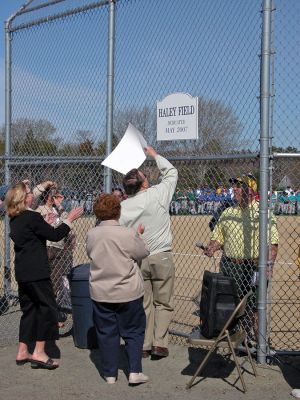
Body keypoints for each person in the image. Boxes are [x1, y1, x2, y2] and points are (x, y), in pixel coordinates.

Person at [5, 182, 83, 370]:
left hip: (23, 271)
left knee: (30, 310)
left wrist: (43, 225)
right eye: (29, 193)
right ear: (24, 198)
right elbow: (55, 236)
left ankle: (23, 350)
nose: (32, 195)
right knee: (47, 309)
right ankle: (39, 352)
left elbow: (31, 236)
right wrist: (69, 219)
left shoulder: (15, 218)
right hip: (37, 271)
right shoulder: (32, 216)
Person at [120, 146, 178, 359]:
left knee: (143, 303)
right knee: (164, 302)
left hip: (138, 258)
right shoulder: (157, 194)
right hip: (161, 254)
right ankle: (160, 343)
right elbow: (172, 173)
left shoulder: (124, 207)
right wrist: (155, 156)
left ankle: (144, 344)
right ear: (144, 183)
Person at [204, 174, 279, 337]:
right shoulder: (228, 212)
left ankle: (260, 344)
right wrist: (212, 247)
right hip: (230, 265)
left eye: (239, 186)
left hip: (253, 267)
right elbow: (218, 237)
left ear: (250, 190)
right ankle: (240, 340)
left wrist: (268, 265)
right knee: (231, 304)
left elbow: (272, 243)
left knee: (255, 306)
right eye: (234, 186)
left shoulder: (263, 212)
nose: (235, 189)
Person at [87, 194, 150, 385]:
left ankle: (110, 374)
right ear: (118, 211)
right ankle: (134, 371)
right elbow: (143, 252)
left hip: (101, 292)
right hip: (127, 292)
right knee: (134, 331)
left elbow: (91, 252)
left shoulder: (92, 233)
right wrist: (137, 236)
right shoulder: (128, 233)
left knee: (106, 333)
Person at [36, 187, 76, 327]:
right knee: (45, 283)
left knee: (55, 283)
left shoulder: (56, 210)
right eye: (56, 195)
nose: (59, 197)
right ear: (48, 196)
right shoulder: (39, 210)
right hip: (46, 247)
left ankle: (50, 315)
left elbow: (68, 221)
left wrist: (59, 206)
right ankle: (46, 316)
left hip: (58, 248)